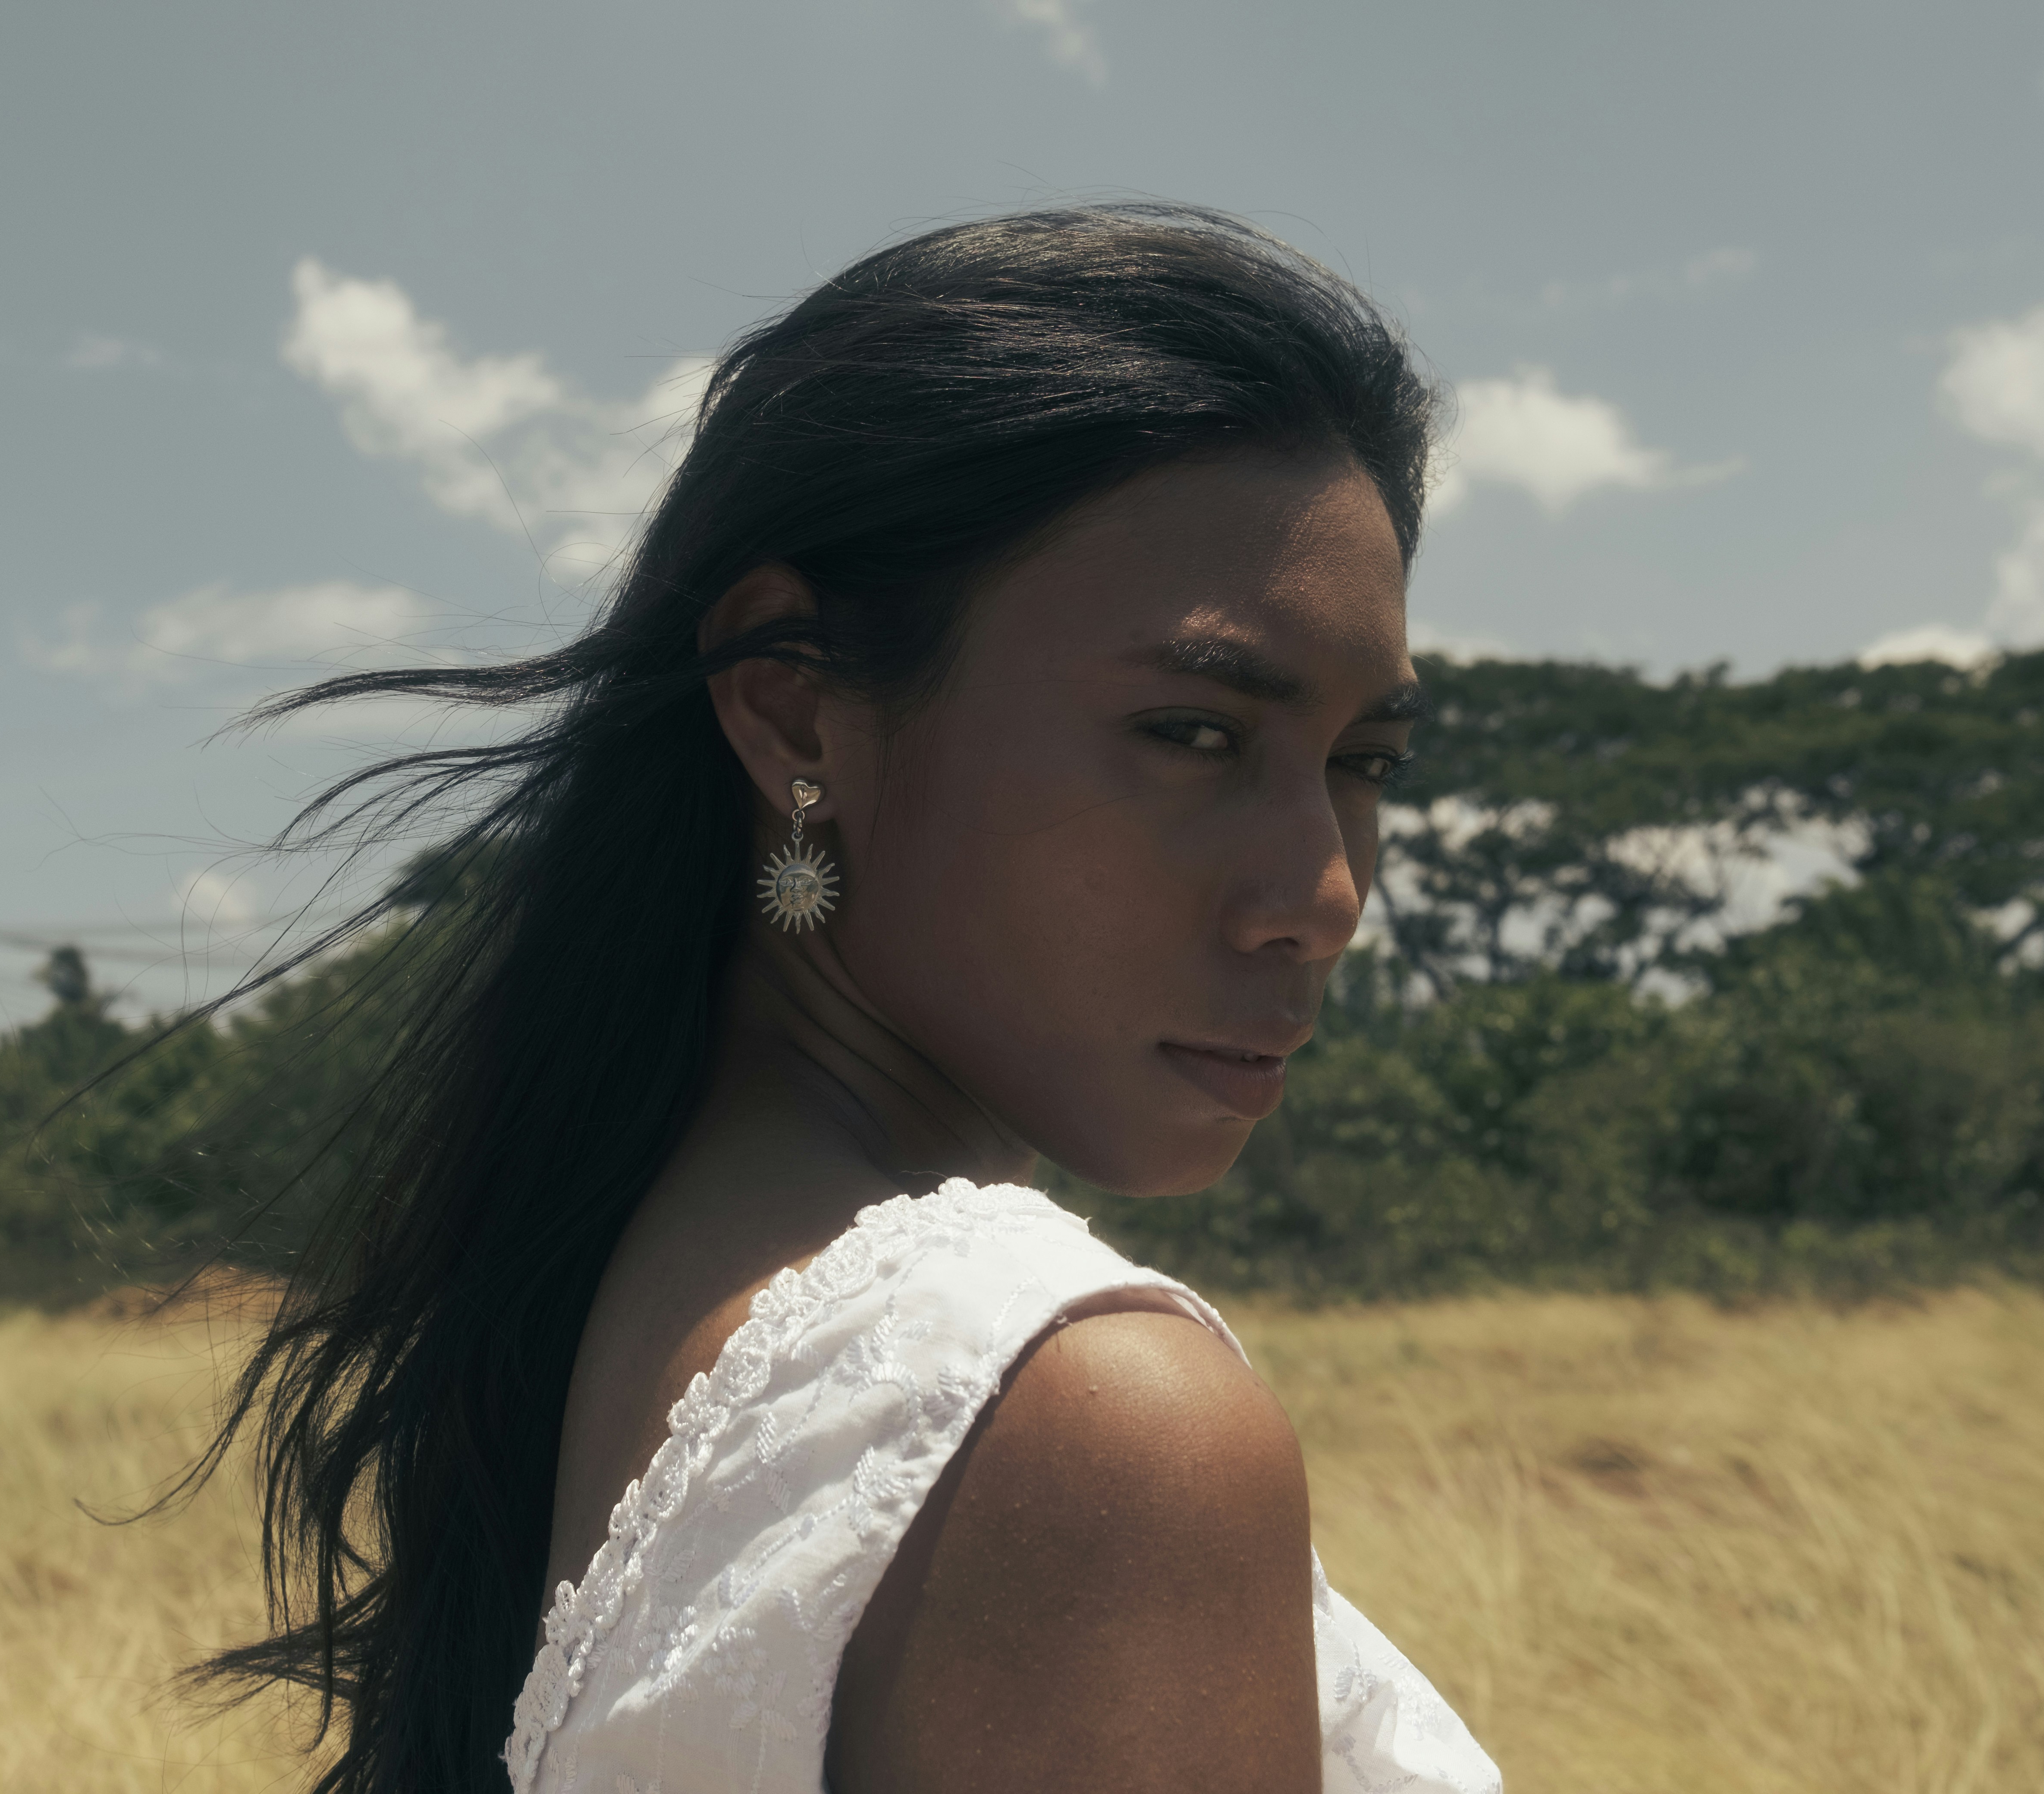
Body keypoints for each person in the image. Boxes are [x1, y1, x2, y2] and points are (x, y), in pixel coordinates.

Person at [191, 204, 1503, 1794]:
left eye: (1367, 765)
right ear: (795, 709)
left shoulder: (636, 1293)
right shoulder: (1083, 1422)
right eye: (1197, 735)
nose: (1325, 896)